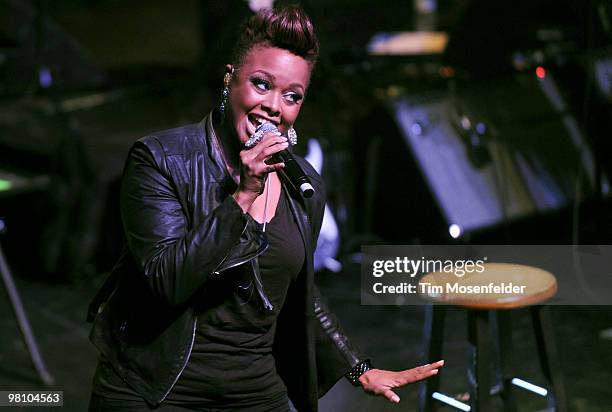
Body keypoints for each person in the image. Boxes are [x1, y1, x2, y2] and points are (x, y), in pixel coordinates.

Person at [87, 5, 444, 411]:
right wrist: (244, 194)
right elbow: (168, 280)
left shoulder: (302, 184)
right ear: (229, 80)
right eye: (261, 84)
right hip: (158, 388)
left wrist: (357, 367)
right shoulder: (162, 160)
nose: (274, 106)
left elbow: (300, 294)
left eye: (292, 96)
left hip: (252, 390)